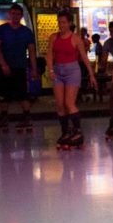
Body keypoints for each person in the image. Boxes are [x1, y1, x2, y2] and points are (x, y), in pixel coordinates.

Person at [45, 10, 95, 149]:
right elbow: (49, 54)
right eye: (59, 22)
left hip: (72, 71)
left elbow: (84, 57)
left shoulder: (75, 38)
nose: (61, 25)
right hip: (58, 71)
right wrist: (51, 70)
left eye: (64, 22)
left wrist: (91, 74)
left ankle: (78, 132)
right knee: (60, 105)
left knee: (69, 103)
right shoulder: (53, 37)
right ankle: (65, 132)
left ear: (69, 23)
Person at [0, 3, 38, 133]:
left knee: (22, 93)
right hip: (5, 66)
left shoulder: (26, 32)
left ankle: (27, 117)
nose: (15, 16)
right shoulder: (2, 30)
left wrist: (34, 69)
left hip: (20, 67)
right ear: (9, 15)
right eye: (13, 14)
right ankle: (4, 117)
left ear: (21, 16)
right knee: (3, 94)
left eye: (18, 14)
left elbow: (32, 51)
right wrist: (3, 64)